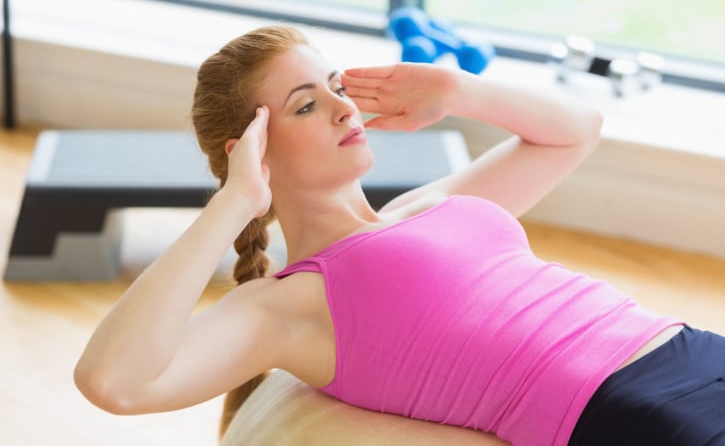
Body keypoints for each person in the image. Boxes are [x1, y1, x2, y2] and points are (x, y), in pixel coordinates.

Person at [74, 25, 725, 446]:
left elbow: (576, 129)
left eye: (336, 86)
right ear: (252, 149)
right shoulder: (285, 306)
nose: (344, 107)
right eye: (307, 104)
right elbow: (114, 381)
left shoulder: (427, 206)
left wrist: (455, 89)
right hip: (631, 408)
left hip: (693, 348)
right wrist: (234, 201)